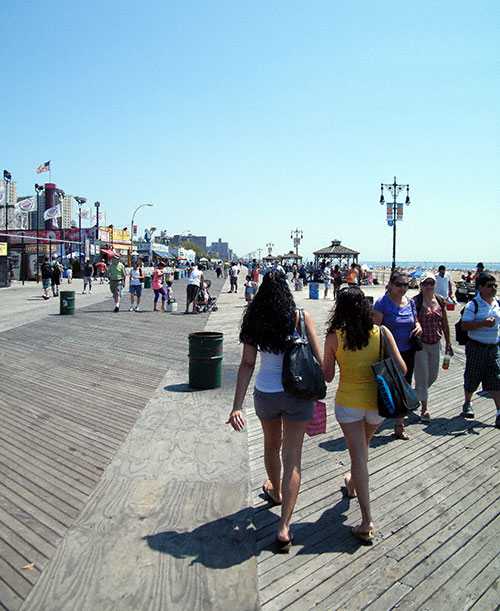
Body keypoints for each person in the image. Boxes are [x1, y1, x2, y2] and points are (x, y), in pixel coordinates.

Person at [226, 271, 323, 552]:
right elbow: (318, 359)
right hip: (297, 393)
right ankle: (283, 527)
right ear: (287, 290)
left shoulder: (255, 320)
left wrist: (237, 406)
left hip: (266, 393)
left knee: (271, 446)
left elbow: (246, 364)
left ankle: (277, 493)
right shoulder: (300, 317)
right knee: (292, 456)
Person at [324, 287, 406, 543]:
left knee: (359, 456)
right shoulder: (381, 333)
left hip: (348, 404)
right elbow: (402, 369)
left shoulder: (335, 336)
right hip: (377, 405)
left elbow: (327, 376)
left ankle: (367, 520)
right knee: (363, 449)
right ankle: (351, 484)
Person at [372, 270, 422, 440]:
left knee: (405, 386)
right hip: (387, 353)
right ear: (391, 285)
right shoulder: (381, 303)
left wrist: (418, 326)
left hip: (408, 350)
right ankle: (374, 423)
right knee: (386, 388)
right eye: (399, 284)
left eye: (406, 285)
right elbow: (374, 329)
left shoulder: (411, 303)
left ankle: (399, 425)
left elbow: (415, 320)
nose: (403, 288)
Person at [412, 272, 453, 422]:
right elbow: (413, 319)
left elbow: (445, 324)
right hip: (420, 344)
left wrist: (448, 343)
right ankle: (424, 408)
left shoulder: (440, 300)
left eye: (431, 283)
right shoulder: (415, 301)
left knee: (433, 376)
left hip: (436, 343)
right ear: (420, 286)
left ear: (435, 285)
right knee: (422, 376)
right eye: (425, 284)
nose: (429, 286)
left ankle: (413, 395)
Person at [461, 273, 500, 428]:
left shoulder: (497, 303)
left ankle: (499, 412)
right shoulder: (473, 305)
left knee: (496, 379)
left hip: (494, 347)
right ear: (481, 288)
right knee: (472, 377)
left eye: (495, 285)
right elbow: (465, 325)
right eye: (490, 286)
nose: (494, 288)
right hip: (477, 346)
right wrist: (483, 323)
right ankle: (467, 402)